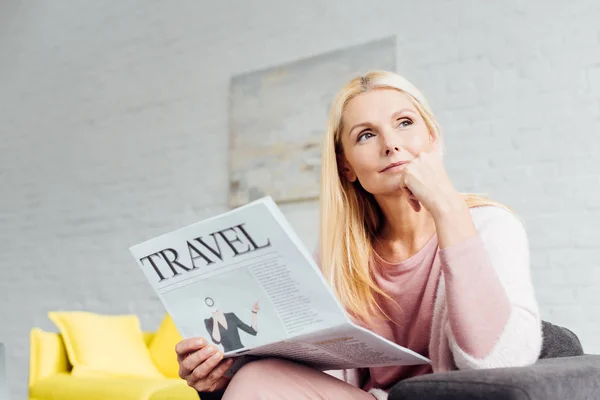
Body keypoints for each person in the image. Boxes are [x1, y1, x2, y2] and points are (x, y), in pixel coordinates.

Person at [175, 70, 543, 399]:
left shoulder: (491, 225)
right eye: (366, 134)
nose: (390, 144)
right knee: (256, 377)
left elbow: (500, 364)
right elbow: (317, 376)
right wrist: (220, 376)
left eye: (404, 122)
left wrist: (448, 210)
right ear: (347, 166)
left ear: (432, 139)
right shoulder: (342, 255)